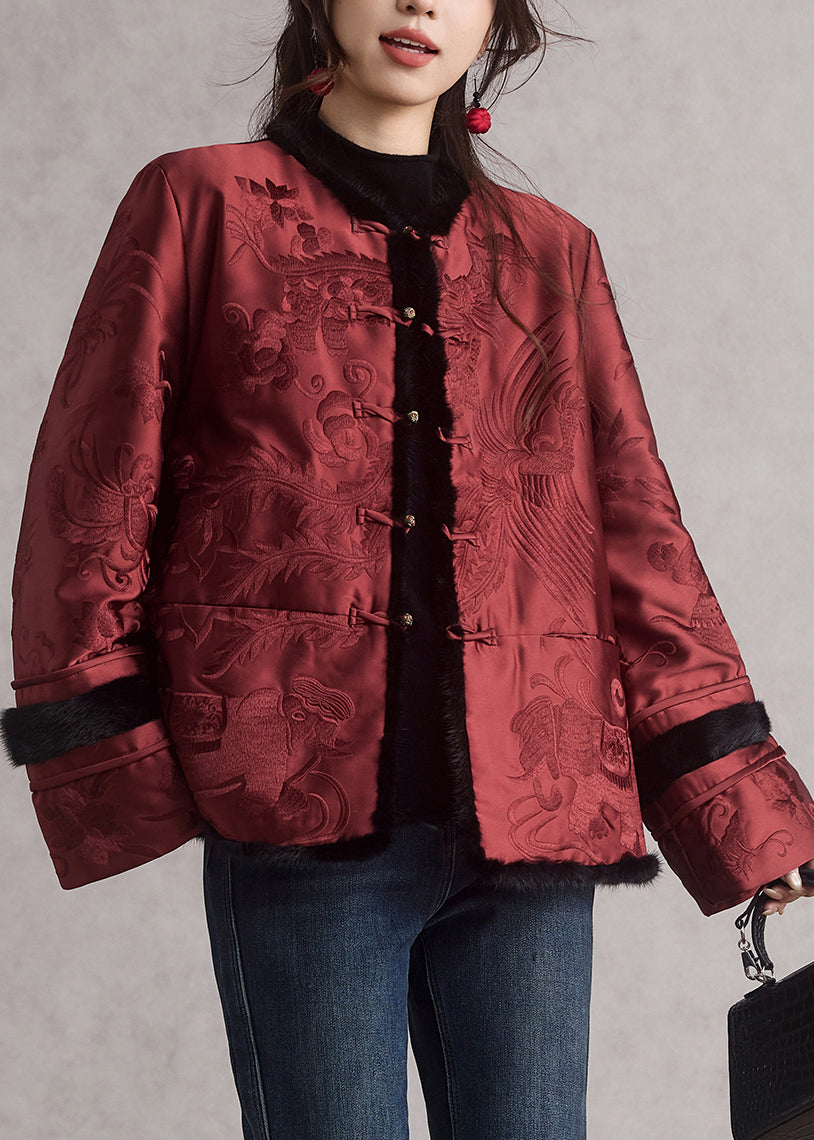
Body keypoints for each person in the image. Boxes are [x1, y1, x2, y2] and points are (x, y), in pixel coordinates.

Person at [3, 2, 814, 1137]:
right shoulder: (202, 202)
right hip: (300, 811)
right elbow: (93, 489)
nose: (423, 3)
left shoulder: (551, 253)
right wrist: (113, 746)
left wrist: (746, 809)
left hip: (536, 822)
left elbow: (639, 540)